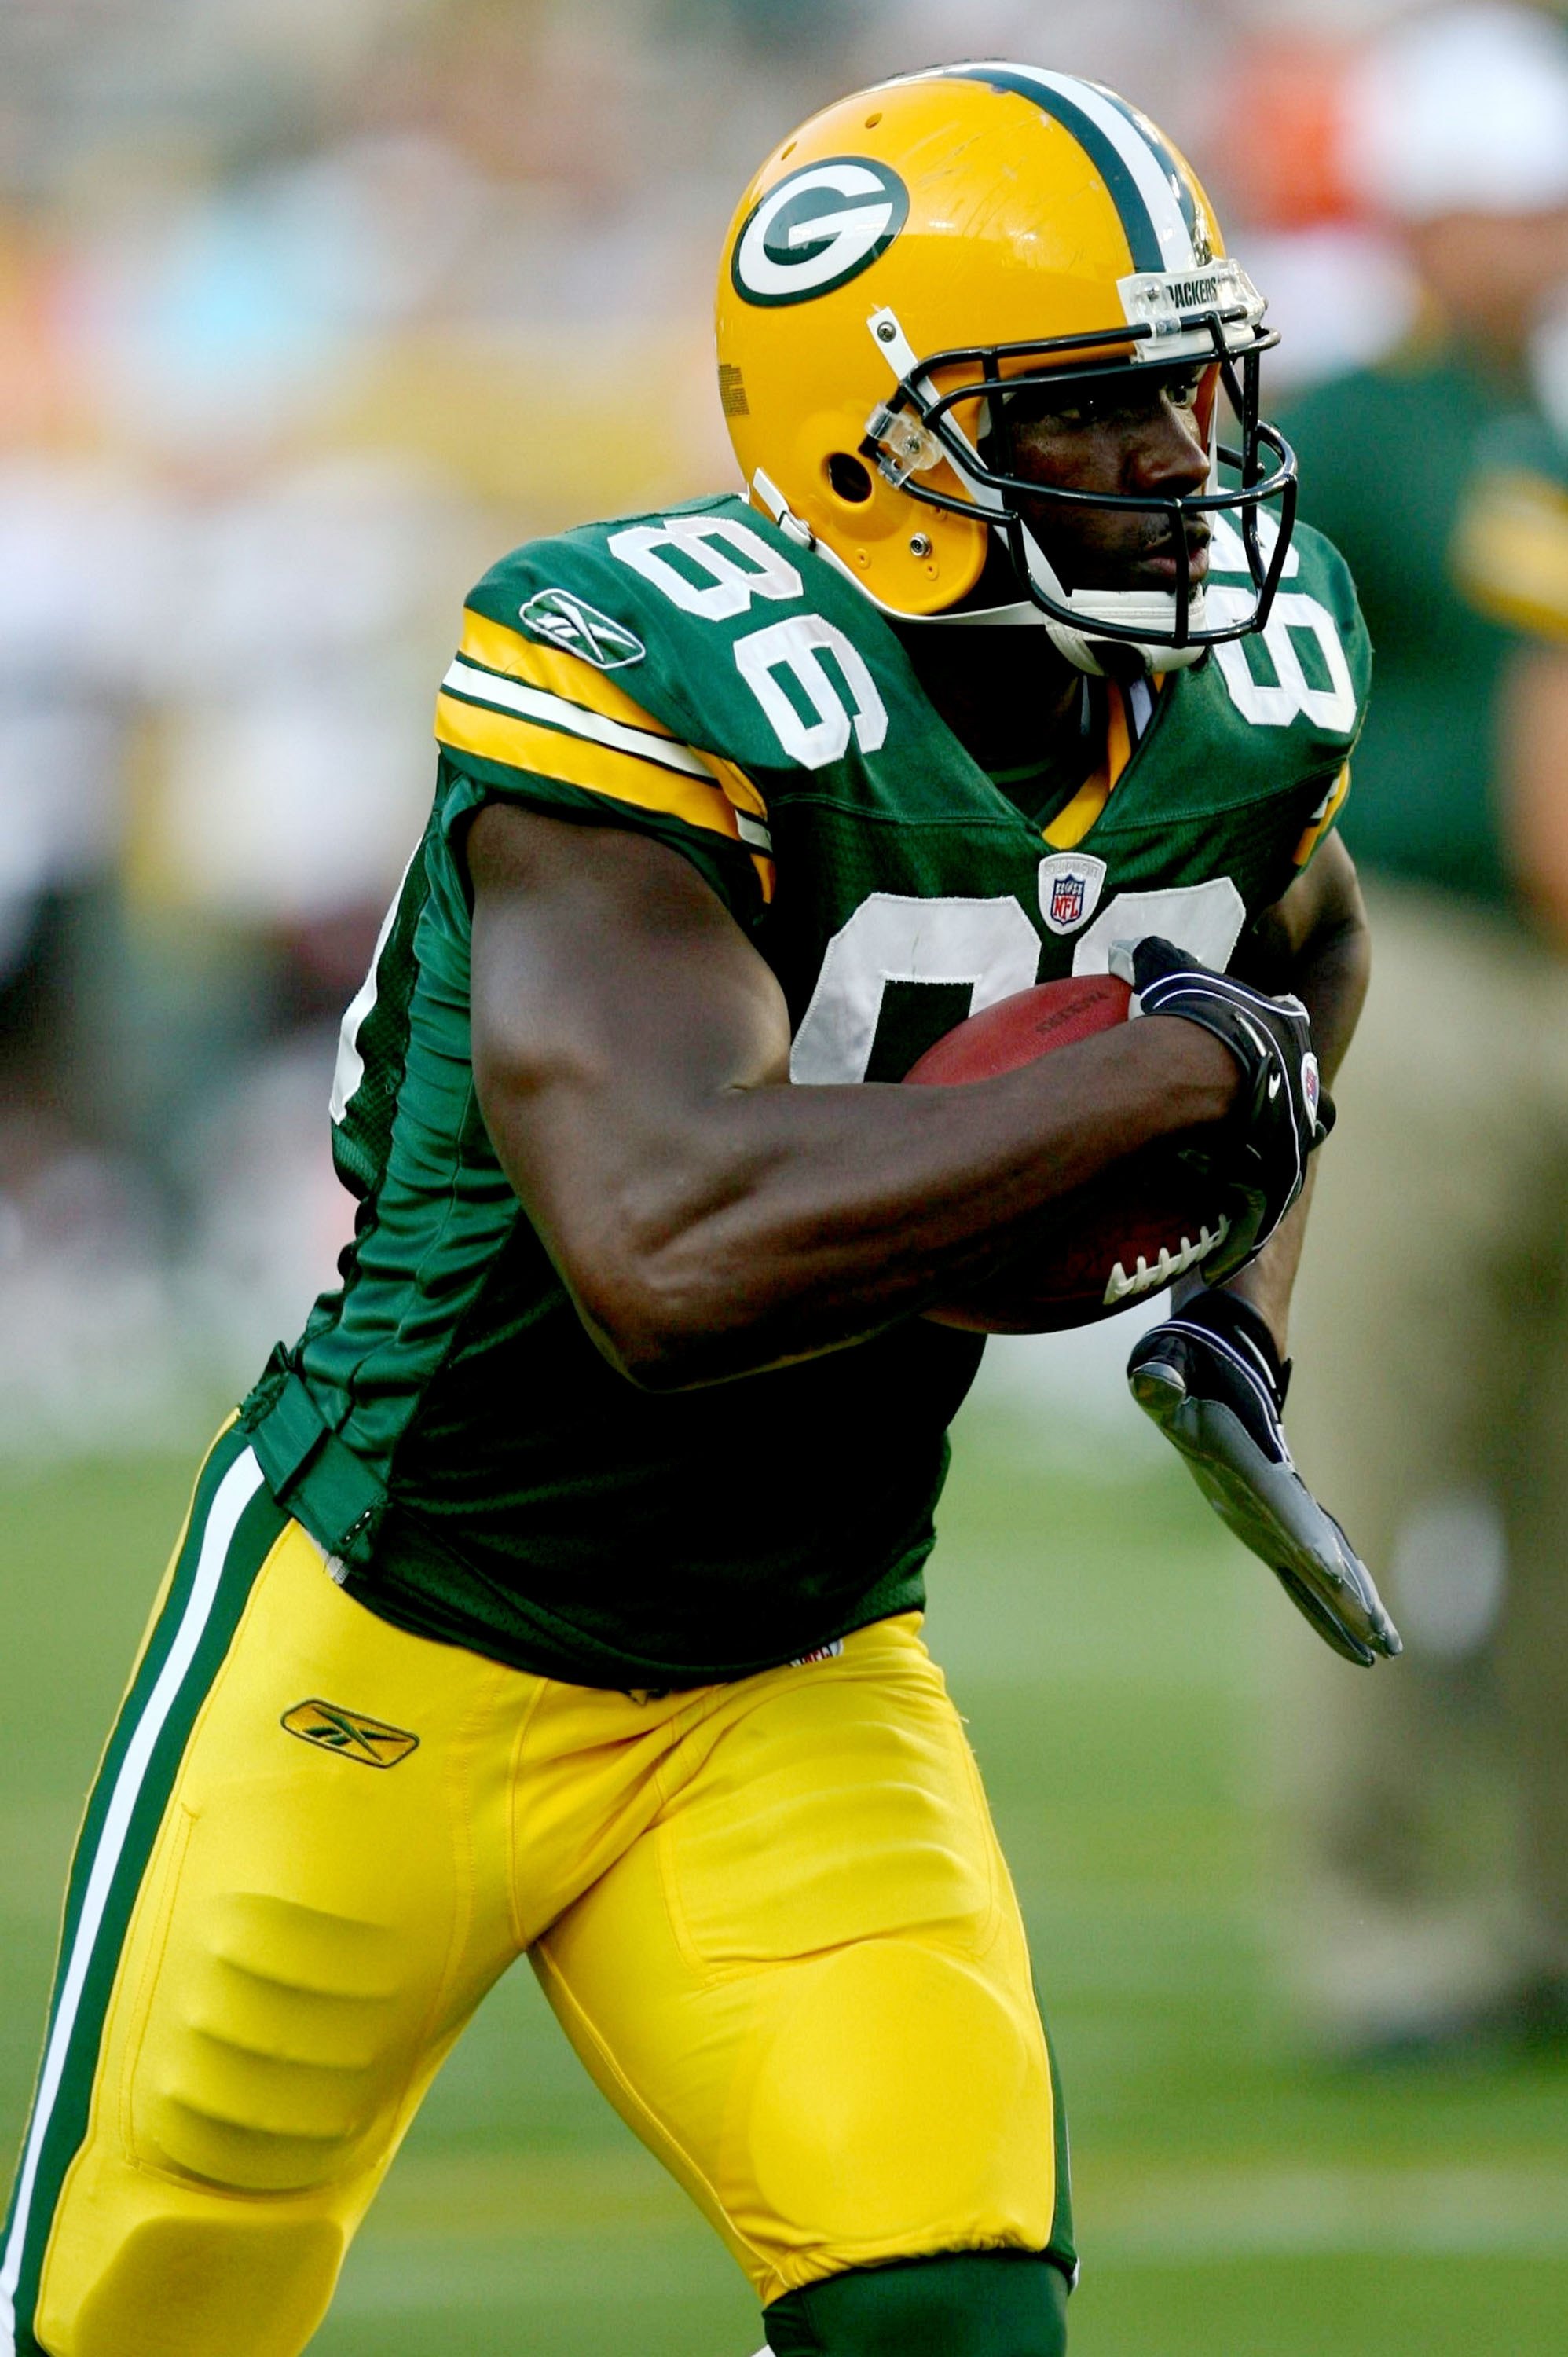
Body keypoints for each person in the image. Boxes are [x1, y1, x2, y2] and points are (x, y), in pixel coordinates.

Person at [1, 64, 1398, 2357]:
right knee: (145, 2318)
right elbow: (667, 1254)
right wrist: (1173, 1071)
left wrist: (1240, 1291)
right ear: (877, 439)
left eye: (1193, 389)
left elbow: (1296, 939)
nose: (1179, 464)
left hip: (796, 1650)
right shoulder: (643, 672)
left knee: (950, 2315)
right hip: (390, 1630)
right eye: (1091, 411)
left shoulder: (1239, 677)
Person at [1274, 2, 1568, 2052]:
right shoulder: (1367, 425)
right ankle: (1366, 1922)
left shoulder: (1520, 416)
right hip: (1434, 968)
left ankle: (1541, 1904)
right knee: (1365, 1457)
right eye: (1511, 209)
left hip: (1534, 979)